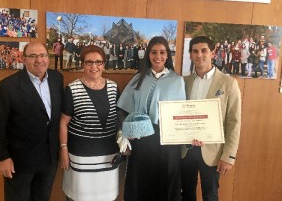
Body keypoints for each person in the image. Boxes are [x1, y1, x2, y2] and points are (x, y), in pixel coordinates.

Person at [0, 42, 64, 201]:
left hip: (49, 158)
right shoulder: (8, 86)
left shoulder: (57, 79)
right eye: (33, 56)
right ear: (24, 59)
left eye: (43, 55)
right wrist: (2, 157)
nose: (39, 60)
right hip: (19, 161)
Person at [117, 36, 186, 201]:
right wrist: (123, 134)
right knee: (141, 186)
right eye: (154, 52)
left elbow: (181, 115)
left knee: (165, 188)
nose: (158, 56)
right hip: (142, 141)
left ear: (167, 55)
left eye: (162, 52)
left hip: (167, 143)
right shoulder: (138, 78)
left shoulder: (177, 81)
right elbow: (122, 108)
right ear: (148, 54)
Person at [180, 36, 241, 201]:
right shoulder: (182, 82)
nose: (199, 55)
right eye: (195, 51)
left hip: (213, 153)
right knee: (186, 194)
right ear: (190, 55)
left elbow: (233, 123)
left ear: (213, 53)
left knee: (211, 195)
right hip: (186, 150)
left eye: (204, 50)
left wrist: (228, 156)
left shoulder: (228, 83)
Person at [59, 44, 120, 201]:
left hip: (108, 157)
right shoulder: (72, 89)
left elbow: (119, 120)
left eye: (98, 62)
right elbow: (63, 123)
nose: (94, 66)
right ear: (82, 65)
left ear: (104, 64)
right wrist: (64, 150)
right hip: (80, 158)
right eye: (89, 62)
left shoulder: (113, 87)